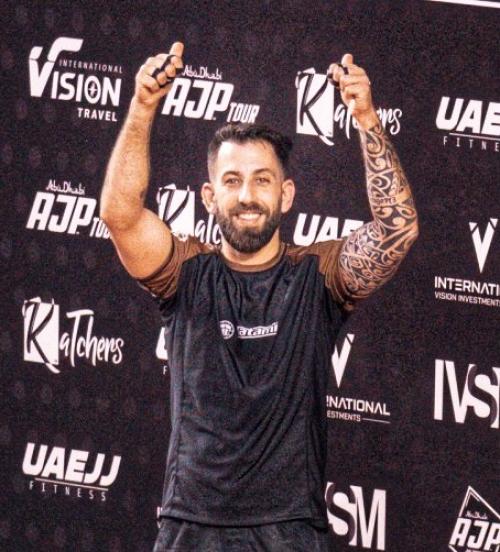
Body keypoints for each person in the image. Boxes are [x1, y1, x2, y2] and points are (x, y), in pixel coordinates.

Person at [100, 41, 419, 552]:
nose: (247, 196)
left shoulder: (319, 276)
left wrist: (365, 118)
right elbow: (120, 215)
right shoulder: (186, 274)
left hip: (290, 528)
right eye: (232, 181)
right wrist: (142, 106)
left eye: (262, 180)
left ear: (286, 195)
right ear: (210, 197)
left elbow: (396, 231)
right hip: (191, 526)